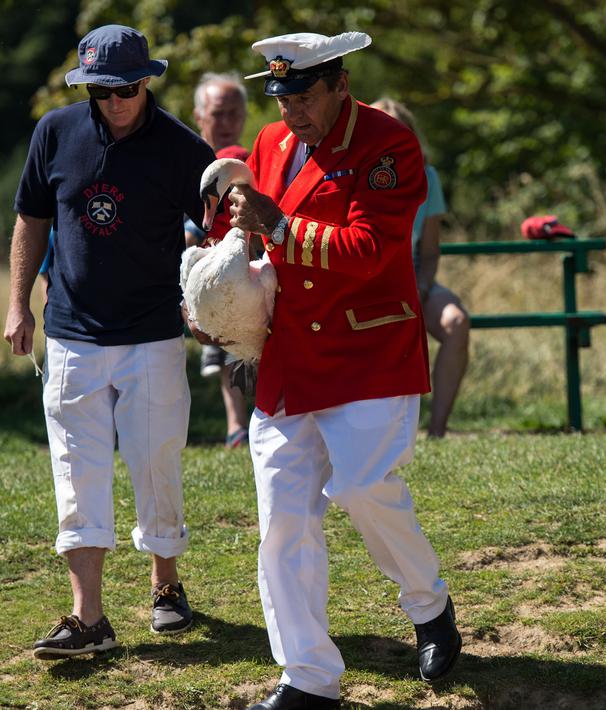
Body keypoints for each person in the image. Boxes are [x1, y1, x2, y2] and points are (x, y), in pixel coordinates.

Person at [203, 31, 462, 709]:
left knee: (361, 487)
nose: (291, 112)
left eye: (304, 96)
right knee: (283, 521)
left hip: (367, 353)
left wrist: (280, 228)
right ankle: (309, 680)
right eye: (281, 97)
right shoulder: (269, 143)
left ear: (338, 86)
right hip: (289, 360)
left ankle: (428, 604)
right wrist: (217, 282)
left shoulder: (387, 145)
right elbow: (242, 231)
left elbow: (375, 249)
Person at [4, 24, 215, 658]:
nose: (114, 101)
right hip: (72, 331)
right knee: (76, 471)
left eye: (124, 89)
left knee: (156, 463)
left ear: (146, 80)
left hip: (152, 332)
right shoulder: (56, 132)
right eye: (100, 90)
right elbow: (30, 218)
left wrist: (211, 298)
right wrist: (18, 303)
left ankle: (165, 584)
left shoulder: (182, 147)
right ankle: (87, 617)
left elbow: (220, 222)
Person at [370, 98, 470, 437]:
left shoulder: (427, 176)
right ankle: (386, 431)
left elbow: (429, 253)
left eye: (396, 130)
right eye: (378, 129)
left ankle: (438, 430)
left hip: (413, 278)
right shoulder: (351, 170)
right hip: (365, 282)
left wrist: (422, 288)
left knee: (457, 322)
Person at [184, 72, 252, 448]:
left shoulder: (251, 160)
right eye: (217, 114)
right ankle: (237, 425)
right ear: (199, 116)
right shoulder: (179, 162)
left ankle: (244, 425)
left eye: (233, 113)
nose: (225, 123)